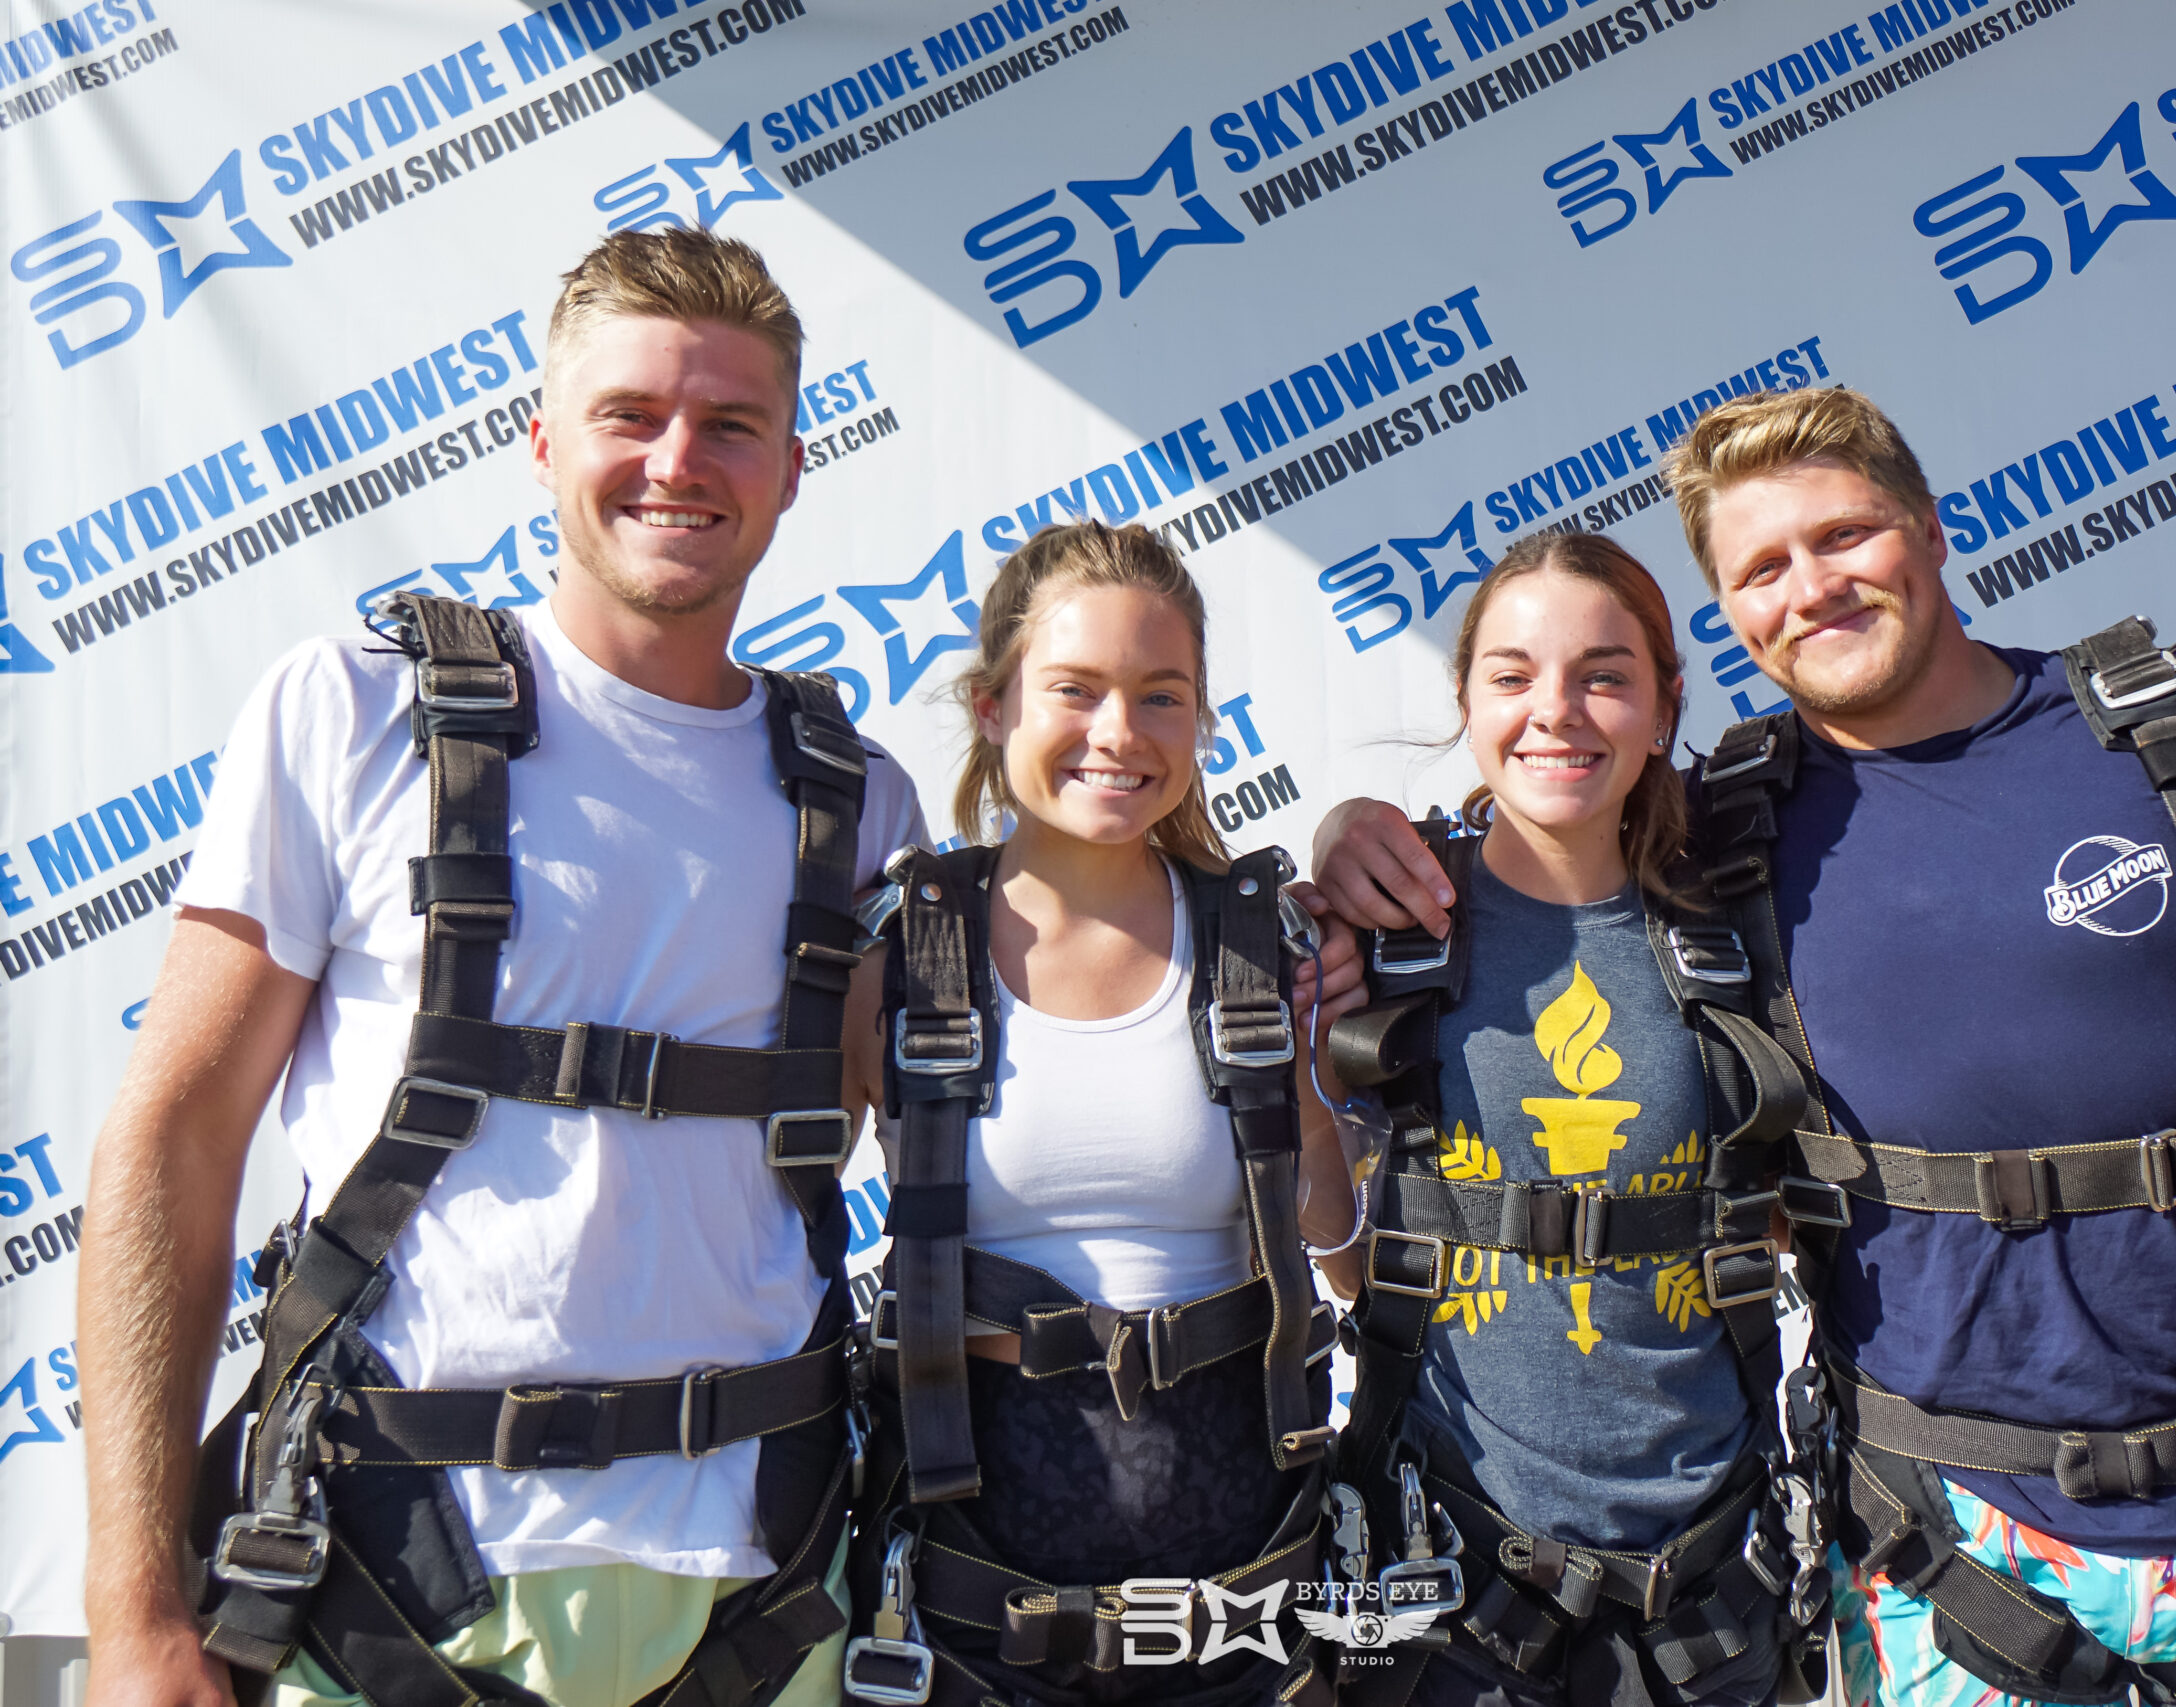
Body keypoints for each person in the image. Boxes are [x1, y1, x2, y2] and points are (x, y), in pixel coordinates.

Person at [1311, 386, 2176, 1707]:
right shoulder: (1726, 842)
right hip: (1950, 1564)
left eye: (1845, 534)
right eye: (1762, 568)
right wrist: (1350, 839)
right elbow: (1538, 844)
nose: (1813, 585)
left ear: (1932, 526)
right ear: (1730, 617)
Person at [78, 226, 929, 1707]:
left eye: (733, 424)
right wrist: (135, 1607)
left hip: (765, 1595)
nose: (680, 459)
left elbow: (1045, 1085)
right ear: (542, 442)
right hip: (385, 1578)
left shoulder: (857, 798)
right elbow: (172, 1139)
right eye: (631, 415)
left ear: (794, 467)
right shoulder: (349, 714)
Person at [835, 519, 1365, 1707]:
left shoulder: (1262, 945)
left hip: (1246, 1607)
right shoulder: (901, 956)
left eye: (1160, 696)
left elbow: (1346, 1251)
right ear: (990, 707)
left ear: (1201, 721)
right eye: (1073, 690)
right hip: (976, 1615)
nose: (1118, 734)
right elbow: (757, 1229)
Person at [1317, 533, 1824, 1707]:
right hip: (1452, 1592)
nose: (1556, 711)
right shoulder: (1387, 938)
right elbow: (1341, 1257)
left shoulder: (1743, 930)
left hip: (1718, 1587)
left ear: (1664, 706)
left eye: (1603, 674)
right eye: (1511, 675)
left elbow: (1806, 1219)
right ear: (1464, 700)